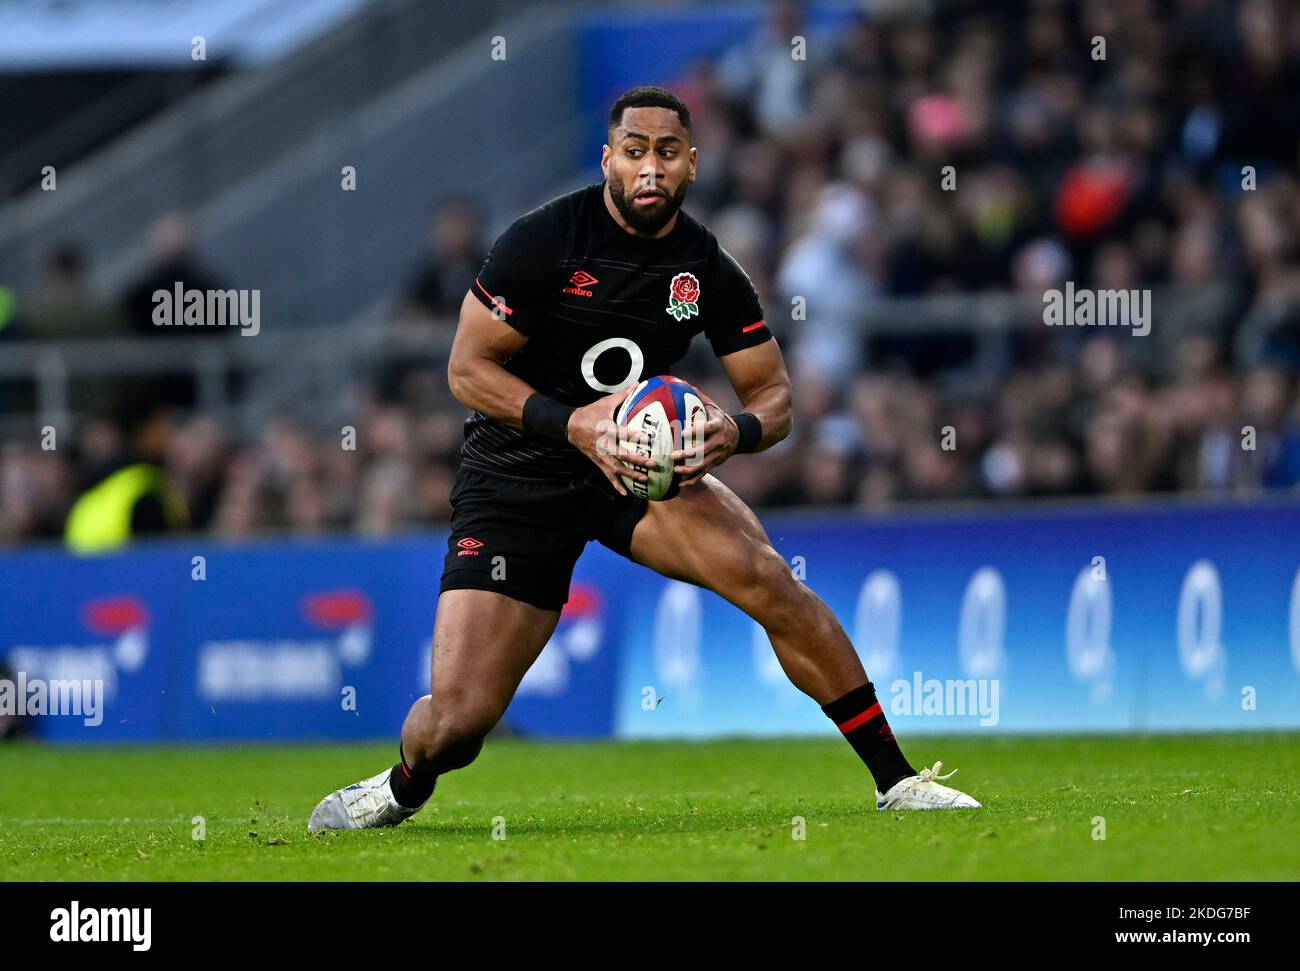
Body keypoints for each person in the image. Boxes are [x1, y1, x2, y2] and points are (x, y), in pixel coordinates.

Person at [309, 86, 978, 832]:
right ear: (609, 160)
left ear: (692, 163)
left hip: (634, 468)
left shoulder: (706, 271)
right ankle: (403, 784)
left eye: (667, 152)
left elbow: (776, 397)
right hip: (516, 476)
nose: (650, 167)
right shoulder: (544, 241)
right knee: (459, 722)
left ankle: (899, 779)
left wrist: (737, 430)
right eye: (635, 152)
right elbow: (466, 370)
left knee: (770, 581)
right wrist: (576, 426)